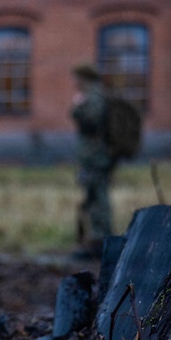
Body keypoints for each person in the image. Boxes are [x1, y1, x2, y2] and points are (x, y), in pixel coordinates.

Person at [70, 63, 114, 259]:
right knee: (94, 196)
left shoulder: (94, 96)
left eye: (76, 77)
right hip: (95, 156)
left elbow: (92, 121)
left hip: (96, 157)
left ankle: (100, 241)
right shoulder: (96, 94)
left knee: (96, 198)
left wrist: (78, 107)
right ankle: (98, 240)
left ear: (84, 77)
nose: (73, 82)